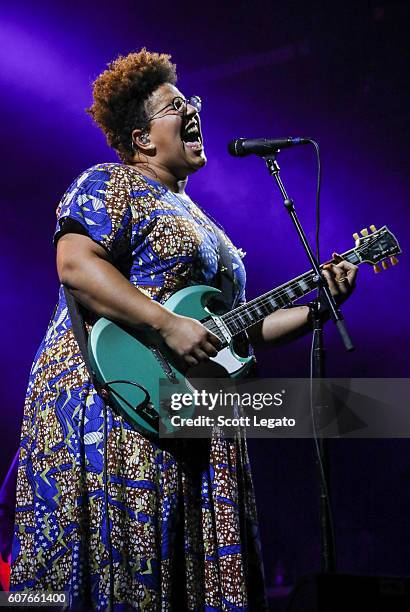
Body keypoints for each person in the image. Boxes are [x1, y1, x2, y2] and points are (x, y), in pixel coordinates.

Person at [10, 49, 358, 610]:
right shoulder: (109, 183)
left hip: (191, 407)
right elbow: (76, 265)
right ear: (143, 138)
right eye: (177, 107)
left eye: (193, 102)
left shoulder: (206, 224)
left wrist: (320, 307)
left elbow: (240, 332)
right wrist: (167, 324)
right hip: (118, 397)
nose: (194, 111)